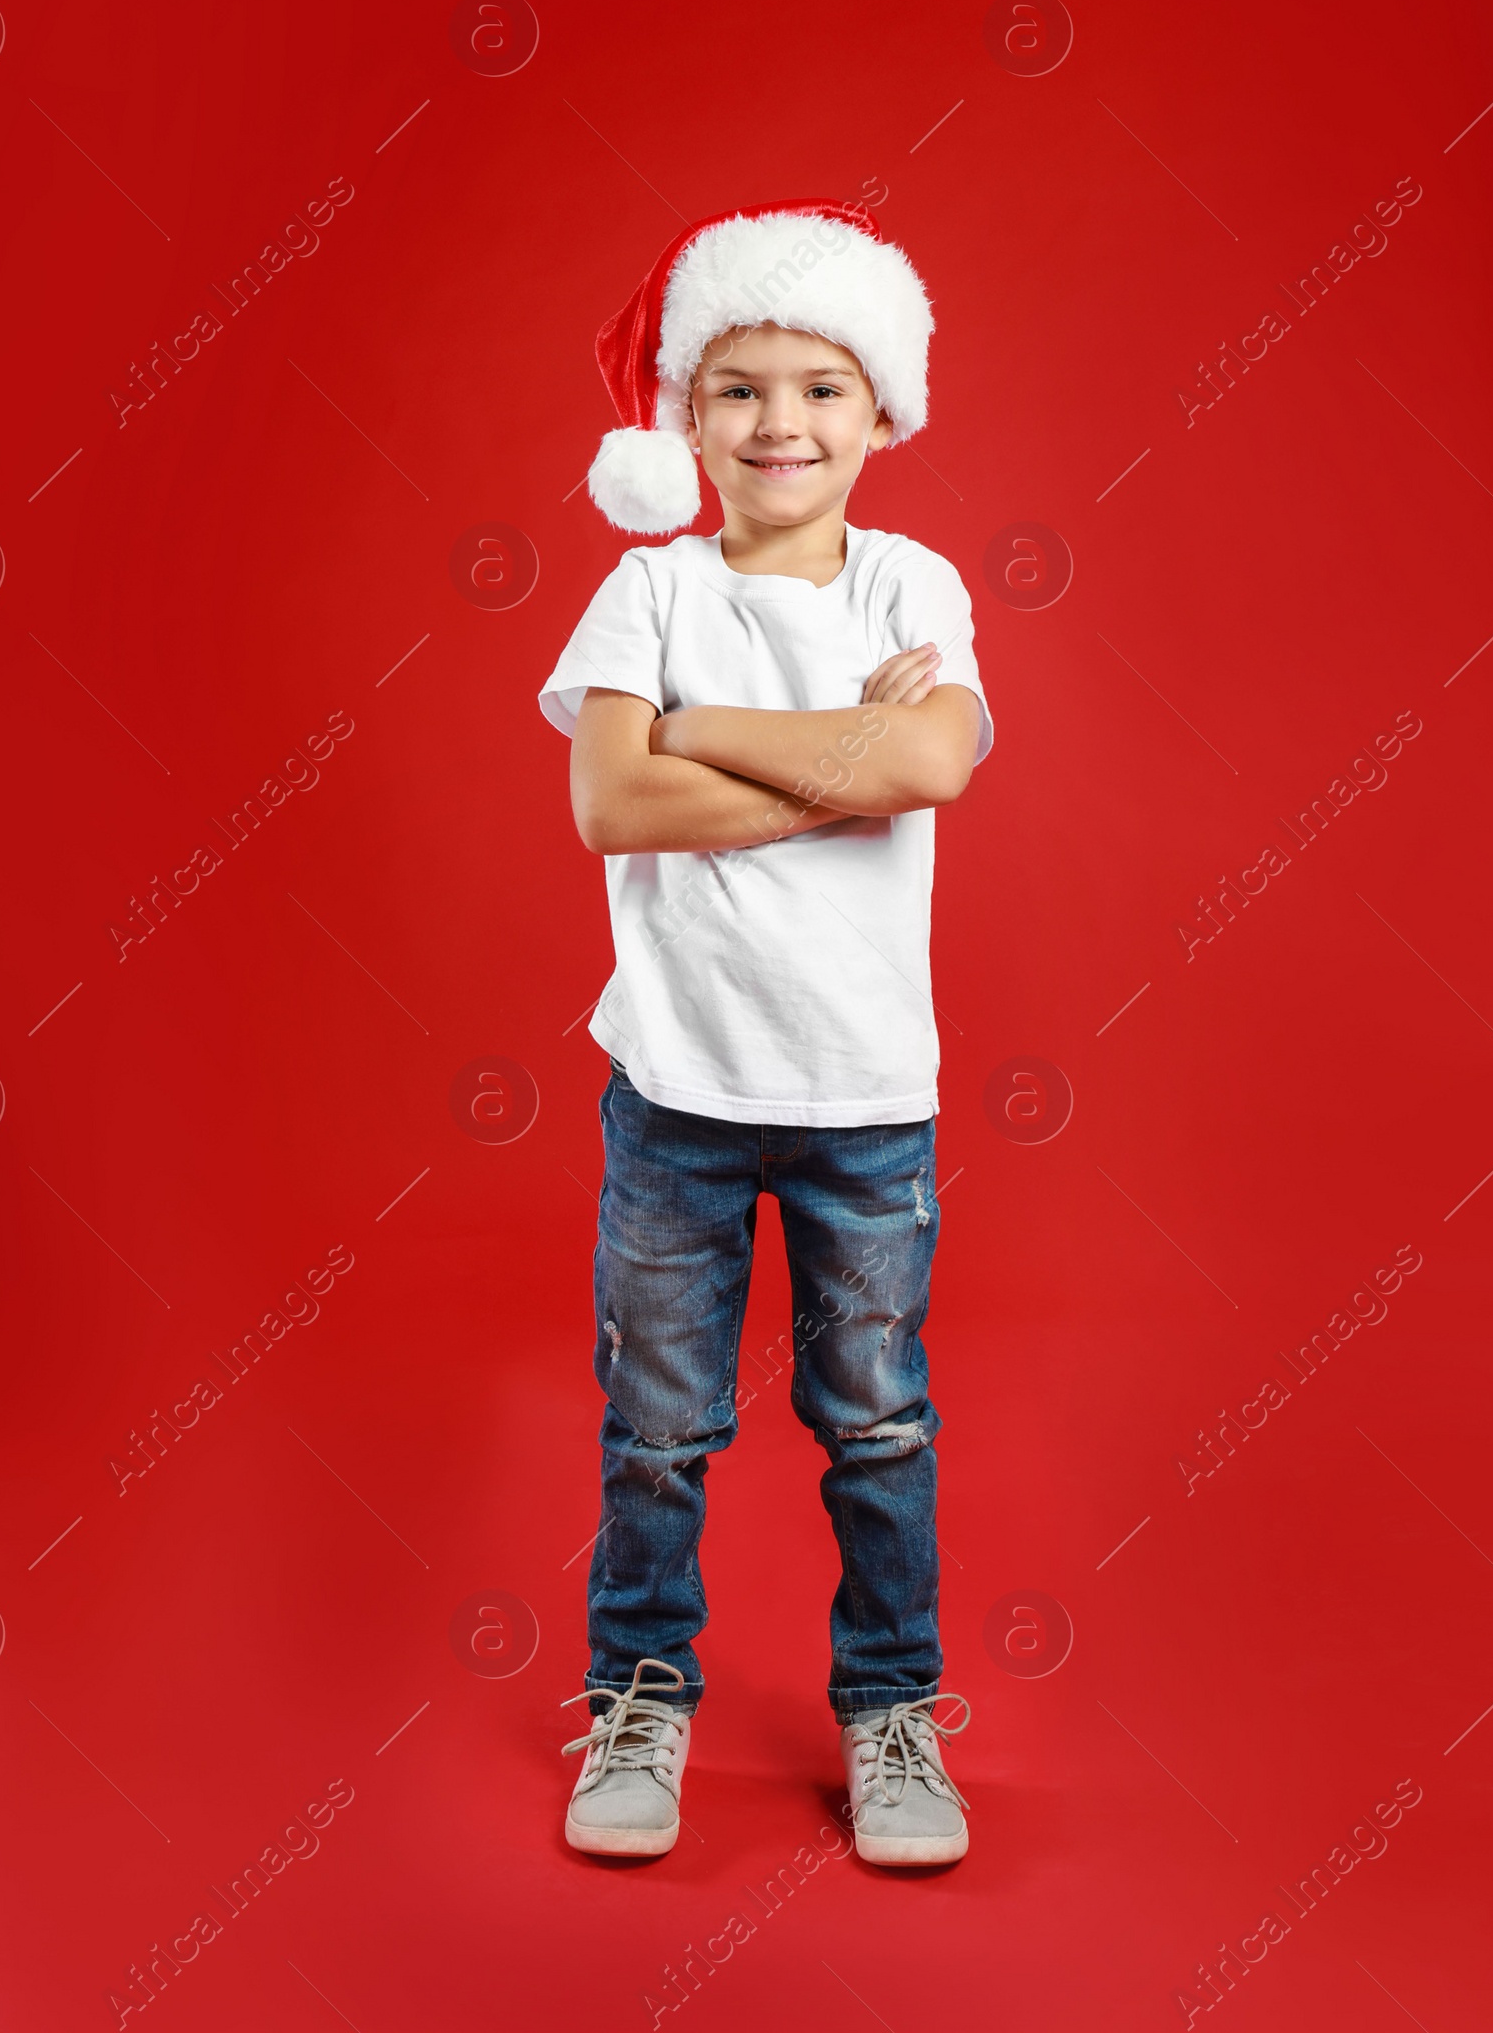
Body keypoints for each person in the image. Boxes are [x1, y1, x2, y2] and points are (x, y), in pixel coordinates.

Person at [537, 199, 992, 1866]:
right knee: (656, 1424)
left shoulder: (913, 579)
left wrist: (709, 746)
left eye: (819, 388)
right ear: (682, 420)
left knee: (876, 1419)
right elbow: (611, 797)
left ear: (882, 413)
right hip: (677, 1089)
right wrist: (824, 757)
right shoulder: (645, 589)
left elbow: (929, 767)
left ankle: (892, 1714)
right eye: (736, 390)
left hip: (869, 1095)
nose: (779, 424)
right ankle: (639, 1695)